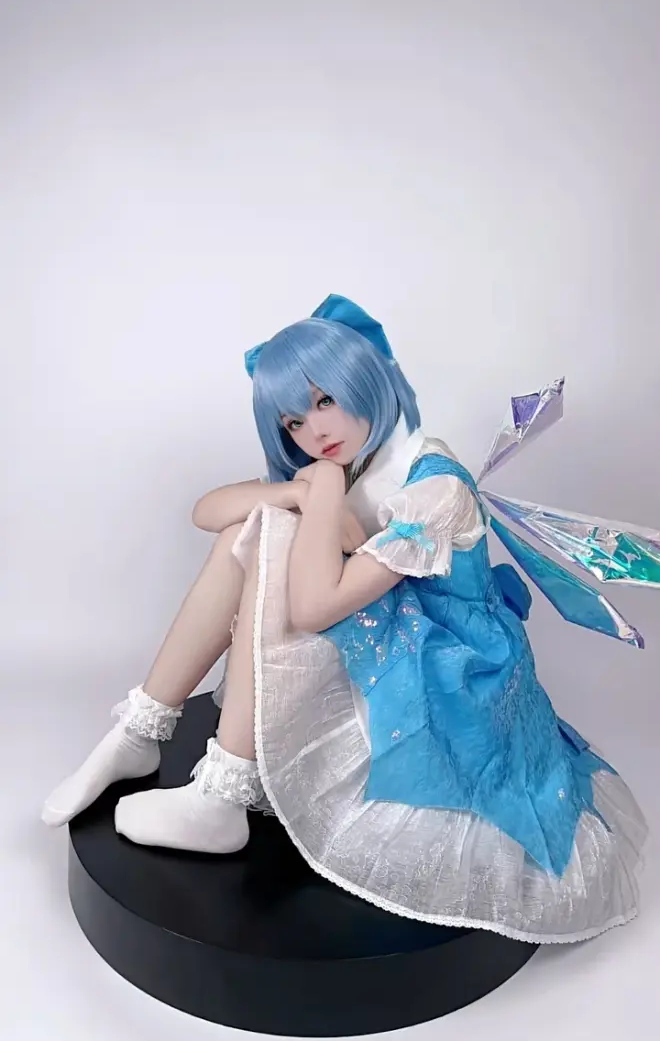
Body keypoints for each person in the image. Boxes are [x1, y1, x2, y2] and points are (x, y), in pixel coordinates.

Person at [42, 294, 650, 943]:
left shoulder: (433, 485)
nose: (314, 431)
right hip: (394, 624)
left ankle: (222, 797)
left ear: (363, 380)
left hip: (451, 670)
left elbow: (313, 607)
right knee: (254, 529)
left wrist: (321, 492)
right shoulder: (351, 461)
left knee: (273, 537)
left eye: (325, 400)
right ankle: (140, 730)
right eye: (293, 421)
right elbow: (207, 511)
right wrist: (294, 490)